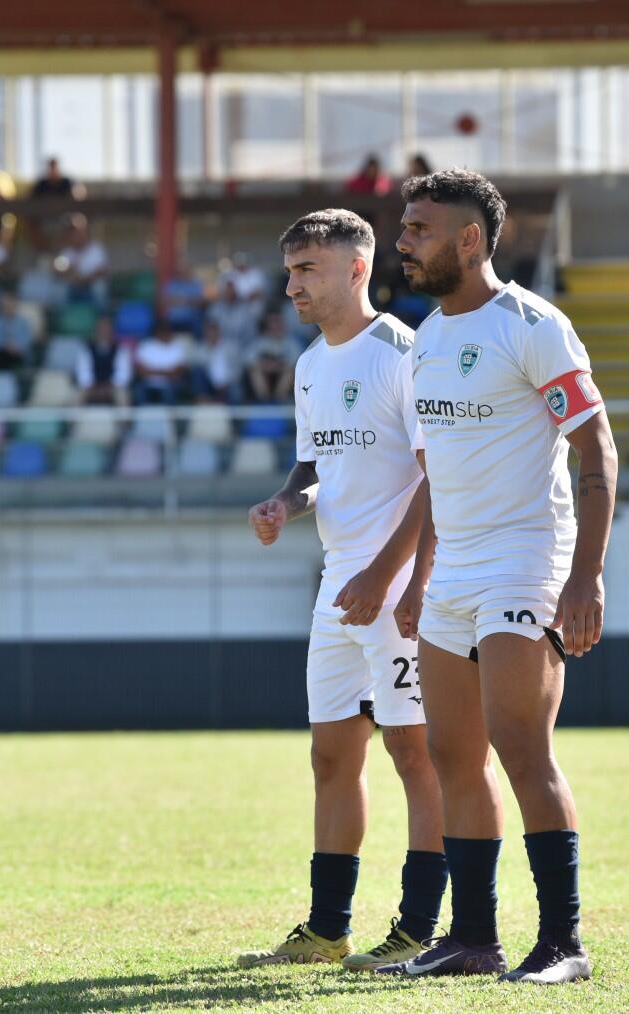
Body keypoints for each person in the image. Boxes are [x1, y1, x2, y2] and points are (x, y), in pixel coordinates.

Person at [379, 169, 617, 984]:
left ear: (469, 238)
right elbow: (439, 476)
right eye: (404, 228)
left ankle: (562, 945)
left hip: (526, 559)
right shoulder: (426, 341)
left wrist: (584, 577)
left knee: (521, 747)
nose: (404, 243)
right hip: (454, 570)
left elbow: (597, 451)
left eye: (419, 229)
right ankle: (473, 939)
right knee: (452, 755)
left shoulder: (532, 325)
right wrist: (420, 577)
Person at [238, 208, 443, 973]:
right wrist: (283, 503)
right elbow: (315, 466)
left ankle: (419, 930)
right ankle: (327, 930)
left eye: (306, 270)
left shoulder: (402, 354)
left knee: (415, 754)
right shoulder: (309, 364)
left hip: (394, 586)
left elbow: (436, 479)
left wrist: (390, 577)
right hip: (339, 585)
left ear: (356, 269)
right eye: (289, 271)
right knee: (330, 757)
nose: (292, 286)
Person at [75, 316, 132, 406]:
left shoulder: (121, 350)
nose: (104, 332)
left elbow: (123, 374)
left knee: (122, 396)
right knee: (75, 396)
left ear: (112, 331)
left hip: (113, 388)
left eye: (107, 329)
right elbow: (83, 373)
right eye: (101, 329)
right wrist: (93, 387)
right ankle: (73, 416)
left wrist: (109, 387)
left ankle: (123, 416)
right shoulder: (86, 349)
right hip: (90, 388)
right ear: (96, 331)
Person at [245, 310, 298, 403]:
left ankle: (279, 401)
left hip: (282, 377)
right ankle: (264, 401)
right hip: (265, 377)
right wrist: (264, 365)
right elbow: (248, 360)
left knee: (290, 371)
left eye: (277, 323)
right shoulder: (260, 342)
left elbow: (297, 361)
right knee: (254, 370)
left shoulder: (291, 342)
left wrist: (278, 366)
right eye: (272, 324)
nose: (275, 326)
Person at [188, 318, 244, 403]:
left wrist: (227, 382)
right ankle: (204, 401)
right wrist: (209, 350)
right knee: (197, 372)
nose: (211, 334)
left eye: (213, 331)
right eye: (208, 331)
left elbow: (238, 369)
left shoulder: (231, 348)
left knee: (235, 389)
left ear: (218, 331)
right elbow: (195, 367)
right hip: (209, 384)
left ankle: (235, 409)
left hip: (229, 383)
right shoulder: (200, 349)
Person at [55, 215, 108, 305]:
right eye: (75, 234)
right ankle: (61, 313)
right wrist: (72, 275)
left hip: (91, 283)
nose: (78, 236)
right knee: (60, 288)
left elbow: (101, 270)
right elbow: (59, 271)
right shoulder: (66, 251)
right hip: (73, 284)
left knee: (99, 287)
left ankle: (102, 313)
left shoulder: (96, 249)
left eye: (81, 233)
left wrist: (84, 280)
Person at [132, 328, 189, 405]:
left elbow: (178, 372)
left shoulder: (177, 347)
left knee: (170, 392)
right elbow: (141, 371)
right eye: (162, 332)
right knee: (139, 390)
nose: (164, 335)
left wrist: (152, 372)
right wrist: (166, 372)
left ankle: (171, 413)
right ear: (157, 333)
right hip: (147, 383)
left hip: (170, 384)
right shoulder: (146, 346)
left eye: (166, 332)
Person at [0, 294, 35, 370]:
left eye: (11, 305)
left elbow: (27, 342)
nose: (9, 308)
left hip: (17, 355)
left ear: (15, 306)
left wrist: (15, 347)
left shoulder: (22, 323)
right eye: (6, 306)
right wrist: (4, 345)